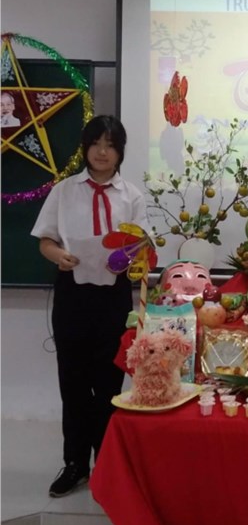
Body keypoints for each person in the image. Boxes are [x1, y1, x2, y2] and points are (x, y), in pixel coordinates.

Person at [31, 115, 148, 498]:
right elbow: (45, 241)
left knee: (109, 384)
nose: (102, 152)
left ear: (120, 152)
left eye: (110, 145)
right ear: (86, 147)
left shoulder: (131, 196)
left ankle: (108, 465)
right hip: (73, 294)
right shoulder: (64, 191)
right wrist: (59, 256)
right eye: (96, 143)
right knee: (74, 383)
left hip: (113, 297)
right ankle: (75, 464)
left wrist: (130, 258)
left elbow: (141, 247)